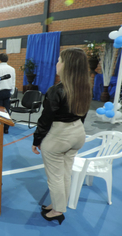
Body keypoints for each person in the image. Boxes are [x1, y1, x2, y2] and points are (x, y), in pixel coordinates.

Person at [32, 48, 92, 225]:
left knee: (55, 176)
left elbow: (46, 118)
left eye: (59, 60)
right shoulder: (85, 88)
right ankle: (59, 204)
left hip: (59, 135)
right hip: (78, 132)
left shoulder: (56, 90)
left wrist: (37, 140)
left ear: (68, 66)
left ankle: (58, 210)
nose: (56, 64)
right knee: (65, 173)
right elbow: (83, 115)